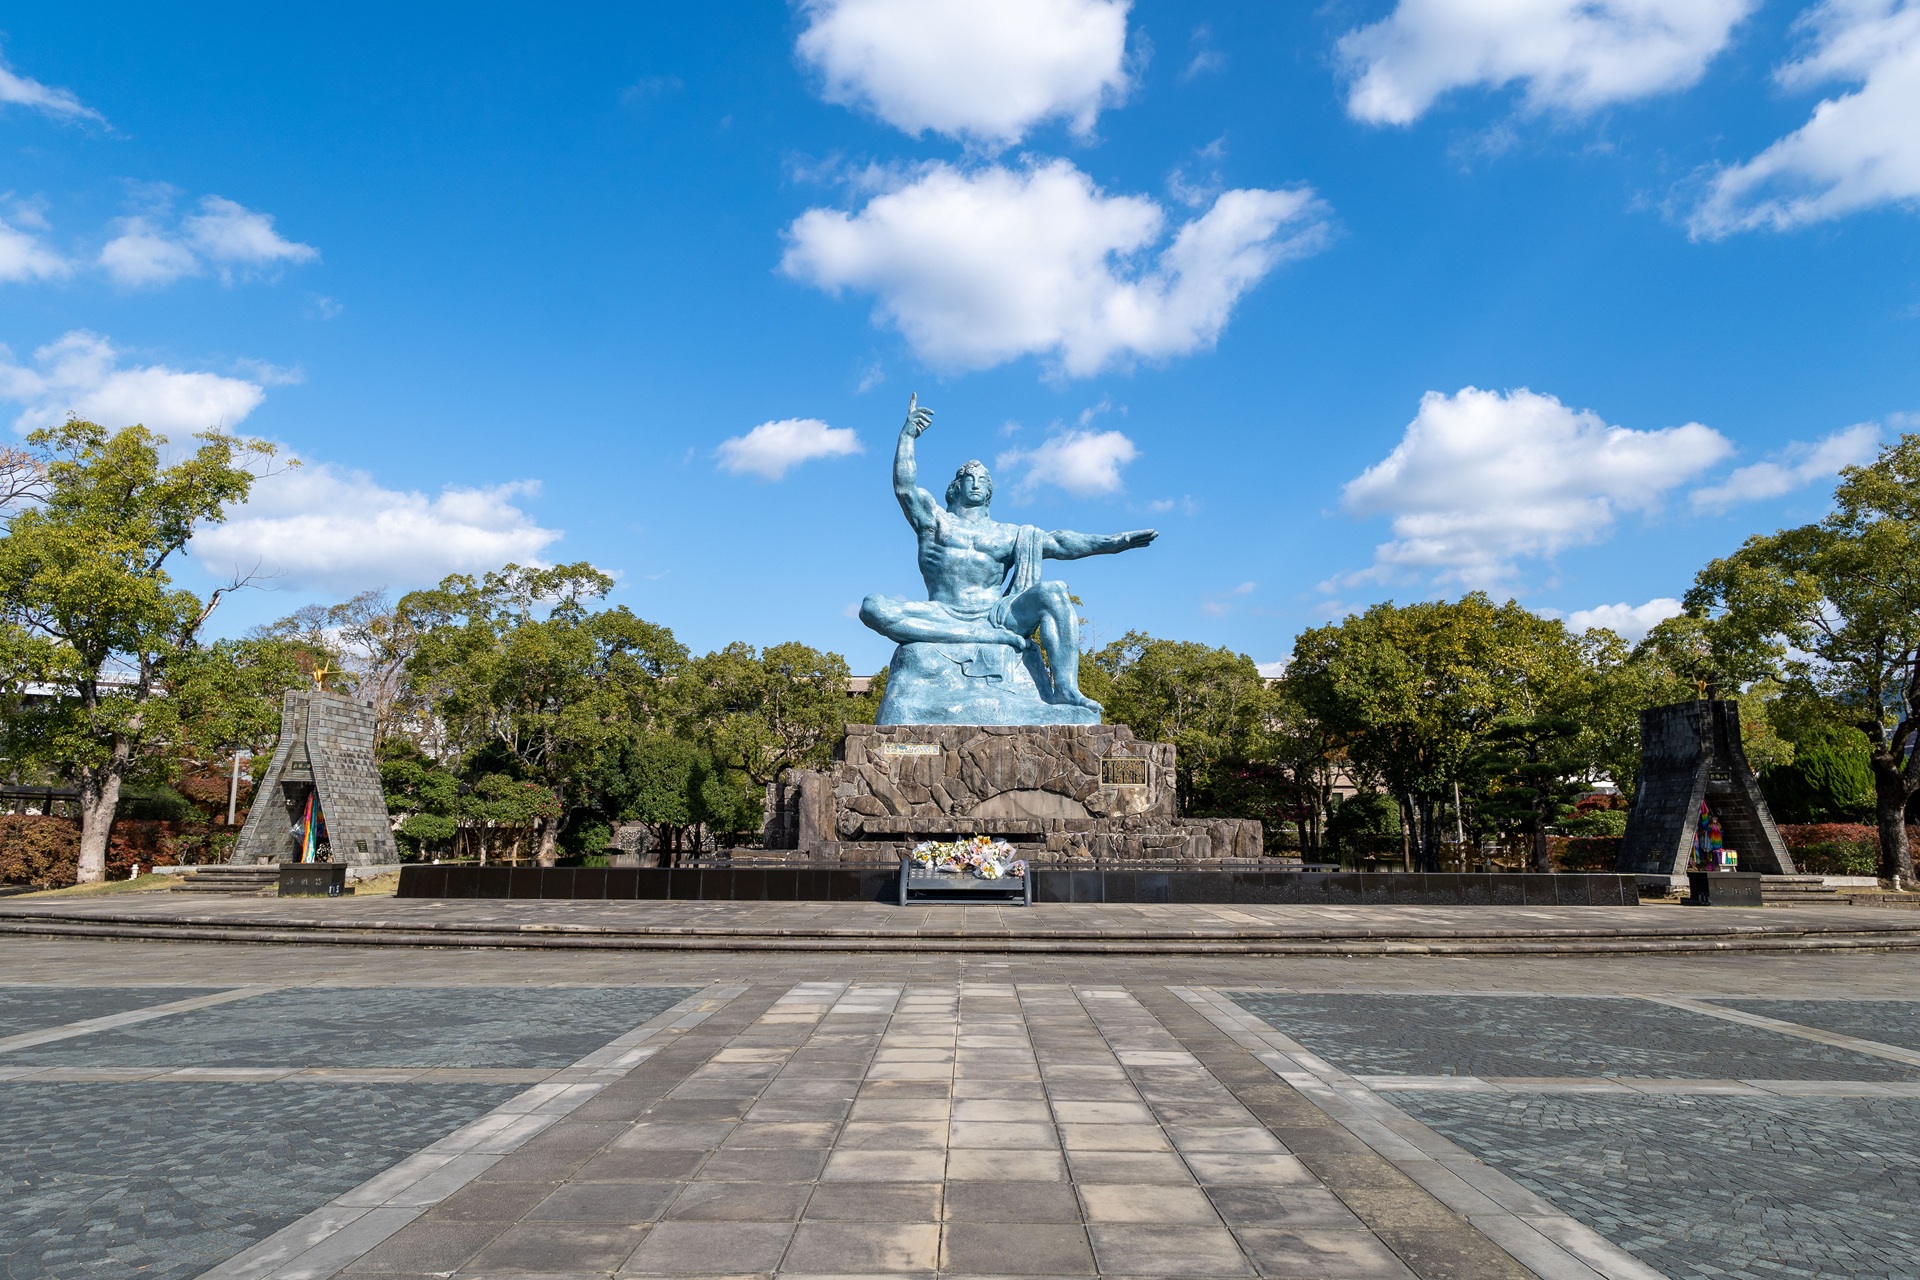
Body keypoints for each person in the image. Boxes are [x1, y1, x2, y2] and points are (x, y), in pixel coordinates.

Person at [859, 395, 1156, 713]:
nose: (975, 483)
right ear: (955, 486)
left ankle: (1066, 690)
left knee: (1054, 592)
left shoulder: (1009, 534)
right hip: (942, 613)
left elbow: (1062, 543)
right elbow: (905, 487)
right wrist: (906, 438)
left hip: (996, 616)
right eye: (968, 479)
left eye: (982, 480)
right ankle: (973, 635)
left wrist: (1115, 542)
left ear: (989, 490)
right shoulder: (934, 520)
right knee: (873, 607)